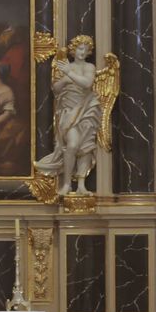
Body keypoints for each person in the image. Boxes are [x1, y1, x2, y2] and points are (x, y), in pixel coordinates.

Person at [33, 35, 105, 195]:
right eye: (80, 49)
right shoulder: (66, 66)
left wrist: (69, 74)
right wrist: (64, 80)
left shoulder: (89, 67)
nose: (82, 52)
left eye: (85, 50)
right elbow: (56, 89)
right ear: (74, 50)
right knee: (72, 145)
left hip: (87, 108)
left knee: (85, 146)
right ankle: (66, 184)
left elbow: (87, 83)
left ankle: (81, 184)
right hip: (69, 111)